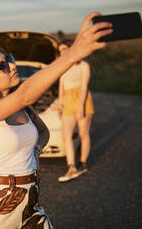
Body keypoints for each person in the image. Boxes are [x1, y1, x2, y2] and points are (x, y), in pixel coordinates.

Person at [0, 12, 112, 228]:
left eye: (9, 60)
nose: (12, 66)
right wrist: (72, 54)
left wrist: (33, 155)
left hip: (31, 203)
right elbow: (25, 93)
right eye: (3, 66)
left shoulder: (23, 108)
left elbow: (43, 133)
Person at [55, 39, 95, 182]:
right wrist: (60, 102)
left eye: (65, 49)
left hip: (82, 99)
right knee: (66, 135)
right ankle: (71, 167)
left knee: (84, 133)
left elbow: (84, 86)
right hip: (67, 100)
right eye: (60, 51)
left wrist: (80, 108)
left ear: (72, 48)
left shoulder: (84, 65)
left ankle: (83, 164)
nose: (63, 52)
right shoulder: (63, 66)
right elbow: (61, 84)